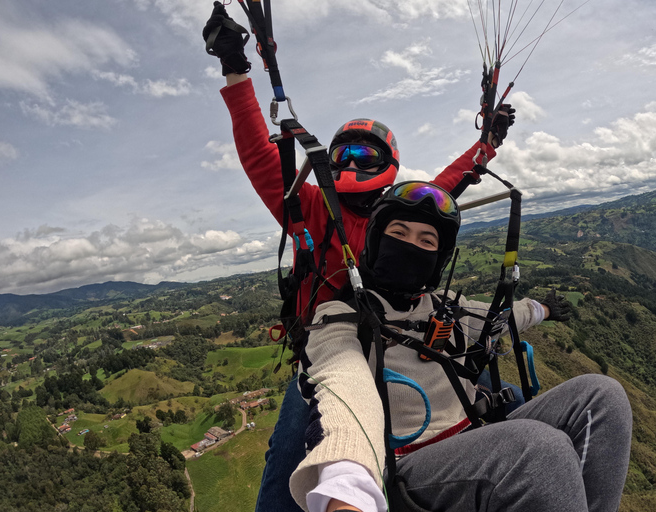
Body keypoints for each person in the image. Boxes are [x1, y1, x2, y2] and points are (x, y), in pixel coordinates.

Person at [202, 4, 521, 511]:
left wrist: (488, 145)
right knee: (288, 468)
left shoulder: (401, 210)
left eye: (363, 156)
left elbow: (448, 187)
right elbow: (260, 155)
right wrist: (235, 67)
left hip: (405, 330)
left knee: (511, 390)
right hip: (334, 347)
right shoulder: (309, 205)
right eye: (343, 155)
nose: (351, 164)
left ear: (386, 165)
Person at [290, 181, 633, 512]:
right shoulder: (342, 316)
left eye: (427, 239)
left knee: (602, 396)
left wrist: (542, 309)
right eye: (398, 233)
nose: (411, 245)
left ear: (439, 257)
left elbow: (501, 317)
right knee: (540, 448)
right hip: (406, 465)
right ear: (376, 241)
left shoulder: (447, 308)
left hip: (473, 440)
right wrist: (349, 486)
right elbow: (342, 380)